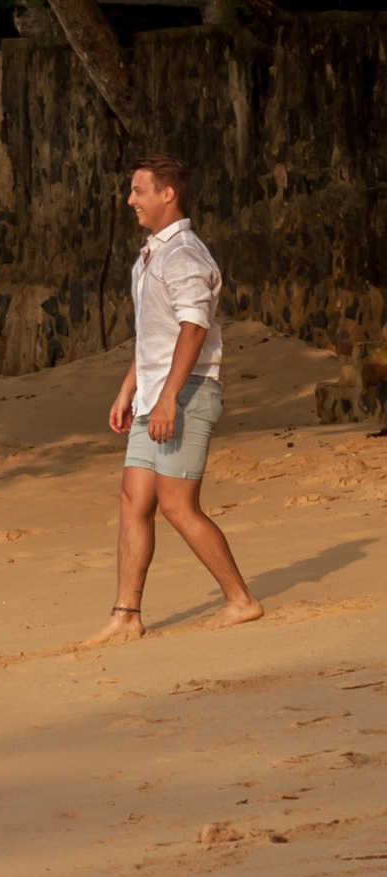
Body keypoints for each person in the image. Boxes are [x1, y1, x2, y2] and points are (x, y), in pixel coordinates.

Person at [81, 149, 261, 644]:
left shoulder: (184, 254)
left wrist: (168, 399)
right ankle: (126, 615)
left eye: (138, 190)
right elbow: (153, 337)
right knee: (133, 499)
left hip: (187, 394)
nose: (129, 200)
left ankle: (241, 600)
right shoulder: (152, 255)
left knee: (178, 505)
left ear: (168, 194)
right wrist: (129, 392)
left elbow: (194, 328)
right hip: (155, 397)